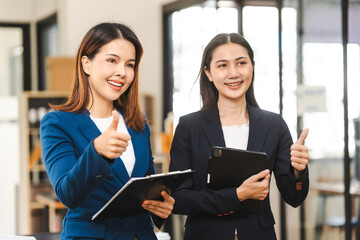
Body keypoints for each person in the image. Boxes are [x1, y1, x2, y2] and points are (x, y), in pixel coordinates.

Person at [40, 22, 174, 240]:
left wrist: (160, 207)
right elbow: (67, 195)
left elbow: (147, 185)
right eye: (112, 60)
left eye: (130, 65)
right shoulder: (57, 123)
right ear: (86, 64)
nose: (122, 72)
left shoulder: (138, 124)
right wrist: (96, 152)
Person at [169, 33, 310, 240]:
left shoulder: (274, 125)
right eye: (222, 65)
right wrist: (237, 196)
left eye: (241, 63)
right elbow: (178, 198)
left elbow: (294, 197)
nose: (233, 73)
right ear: (208, 72)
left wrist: (299, 171)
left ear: (252, 66)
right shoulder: (189, 126)